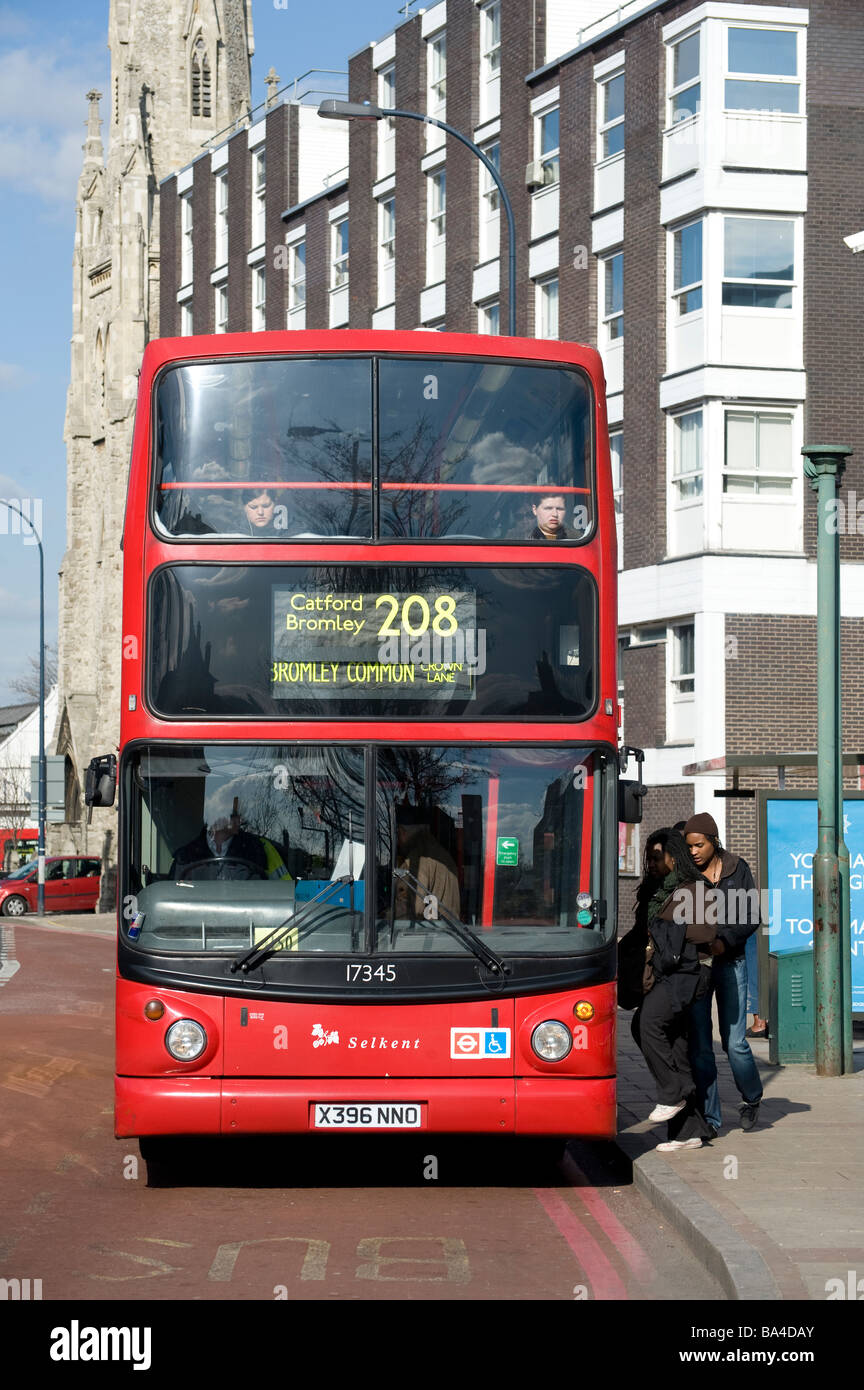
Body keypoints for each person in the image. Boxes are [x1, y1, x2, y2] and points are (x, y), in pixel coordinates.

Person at [631, 830, 716, 1152]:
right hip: (665, 973)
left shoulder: (693, 889)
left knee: (646, 1024)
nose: (652, 863)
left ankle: (673, 1093)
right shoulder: (654, 891)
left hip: (687, 974)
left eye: (657, 857)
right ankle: (688, 1131)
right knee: (675, 1044)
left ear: (673, 857)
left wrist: (668, 929)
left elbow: (706, 931)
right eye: (649, 858)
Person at [683, 812, 763, 1133]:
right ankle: (712, 1119)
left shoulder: (736, 869)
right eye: (689, 847)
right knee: (702, 1045)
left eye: (699, 845)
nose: (693, 852)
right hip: (699, 968)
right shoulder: (687, 875)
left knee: (734, 1043)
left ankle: (752, 1097)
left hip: (732, 963)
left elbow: (752, 915)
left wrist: (724, 940)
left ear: (713, 841)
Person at [393, 807, 461, 921]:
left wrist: (384, 918)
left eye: (398, 834)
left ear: (402, 832)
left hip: (429, 934)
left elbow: (411, 910)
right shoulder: (443, 855)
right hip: (450, 934)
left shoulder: (416, 859)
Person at [171, 813, 267, 881]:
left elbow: (264, 892)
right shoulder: (185, 857)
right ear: (216, 812)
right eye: (233, 813)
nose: (240, 818)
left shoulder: (253, 848)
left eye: (238, 813)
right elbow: (175, 898)